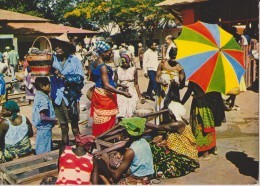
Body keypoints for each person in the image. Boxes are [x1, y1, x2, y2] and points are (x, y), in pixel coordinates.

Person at [146, 101, 199, 178]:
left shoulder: (178, 124)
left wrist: (142, 121)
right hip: (178, 152)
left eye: (169, 111)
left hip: (185, 156)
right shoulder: (181, 120)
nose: (168, 112)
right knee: (153, 147)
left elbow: (157, 127)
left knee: (162, 166)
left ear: (172, 113)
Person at [89, 41, 131, 136]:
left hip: (98, 94)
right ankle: (105, 140)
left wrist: (120, 85)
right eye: (109, 53)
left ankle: (98, 139)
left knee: (99, 119)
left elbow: (92, 78)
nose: (111, 55)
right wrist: (123, 93)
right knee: (107, 121)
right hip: (105, 98)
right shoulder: (103, 67)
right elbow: (107, 85)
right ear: (102, 53)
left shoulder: (94, 64)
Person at [95, 117, 154, 184]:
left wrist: (106, 161)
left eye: (125, 129)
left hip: (136, 179)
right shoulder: (144, 141)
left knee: (100, 165)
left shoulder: (130, 151)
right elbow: (124, 143)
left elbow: (116, 176)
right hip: (147, 176)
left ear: (128, 133)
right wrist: (104, 151)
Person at [50, 33, 85, 145]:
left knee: (74, 126)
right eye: (56, 46)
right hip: (57, 98)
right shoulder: (52, 60)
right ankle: (65, 150)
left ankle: (80, 148)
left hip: (71, 98)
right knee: (63, 126)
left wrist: (63, 76)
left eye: (60, 46)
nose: (57, 48)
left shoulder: (74, 61)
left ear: (66, 48)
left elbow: (80, 79)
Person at [181, 81, 217, 159]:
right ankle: (210, 149)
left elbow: (188, 92)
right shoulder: (210, 78)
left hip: (201, 106)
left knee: (200, 127)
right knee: (204, 127)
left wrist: (181, 103)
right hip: (205, 106)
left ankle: (205, 151)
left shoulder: (194, 79)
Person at [155, 47, 186, 124]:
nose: (173, 59)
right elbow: (156, 79)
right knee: (162, 110)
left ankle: (172, 131)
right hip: (162, 93)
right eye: (172, 56)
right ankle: (161, 129)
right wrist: (161, 83)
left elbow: (182, 85)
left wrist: (178, 84)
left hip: (173, 95)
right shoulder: (162, 64)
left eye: (175, 57)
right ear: (169, 55)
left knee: (173, 112)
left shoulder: (180, 67)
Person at [32, 77, 57, 155]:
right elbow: (43, 117)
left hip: (41, 128)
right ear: (42, 86)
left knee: (41, 145)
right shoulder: (43, 99)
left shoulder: (38, 95)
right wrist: (55, 119)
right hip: (44, 128)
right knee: (44, 149)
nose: (50, 87)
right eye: (48, 85)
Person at [114, 53, 143, 118]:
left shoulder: (133, 70)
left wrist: (140, 96)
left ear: (129, 61)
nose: (125, 64)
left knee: (131, 109)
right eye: (123, 63)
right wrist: (120, 85)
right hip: (121, 92)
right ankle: (121, 125)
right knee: (121, 110)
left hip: (131, 91)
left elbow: (136, 83)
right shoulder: (117, 70)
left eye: (126, 63)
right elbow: (114, 83)